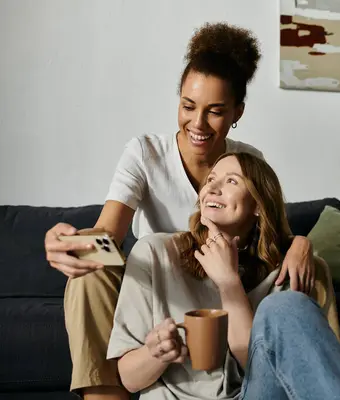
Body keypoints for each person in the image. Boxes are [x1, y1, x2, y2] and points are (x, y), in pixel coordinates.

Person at [43, 23, 317, 400]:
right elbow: (108, 234)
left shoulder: (248, 161)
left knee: (309, 272)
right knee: (88, 277)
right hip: (159, 290)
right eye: (188, 106)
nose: (198, 124)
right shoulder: (145, 153)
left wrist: (303, 243)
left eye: (215, 111)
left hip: (224, 287)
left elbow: (272, 234)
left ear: (237, 112)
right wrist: (68, 243)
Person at [107, 152, 340, 400]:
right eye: (210, 180)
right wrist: (156, 354)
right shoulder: (154, 253)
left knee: (285, 304)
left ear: (258, 204)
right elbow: (129, 379)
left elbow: (268, 367)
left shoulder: (292, 269)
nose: (212, 187)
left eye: (231, 181)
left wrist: (229, 284)